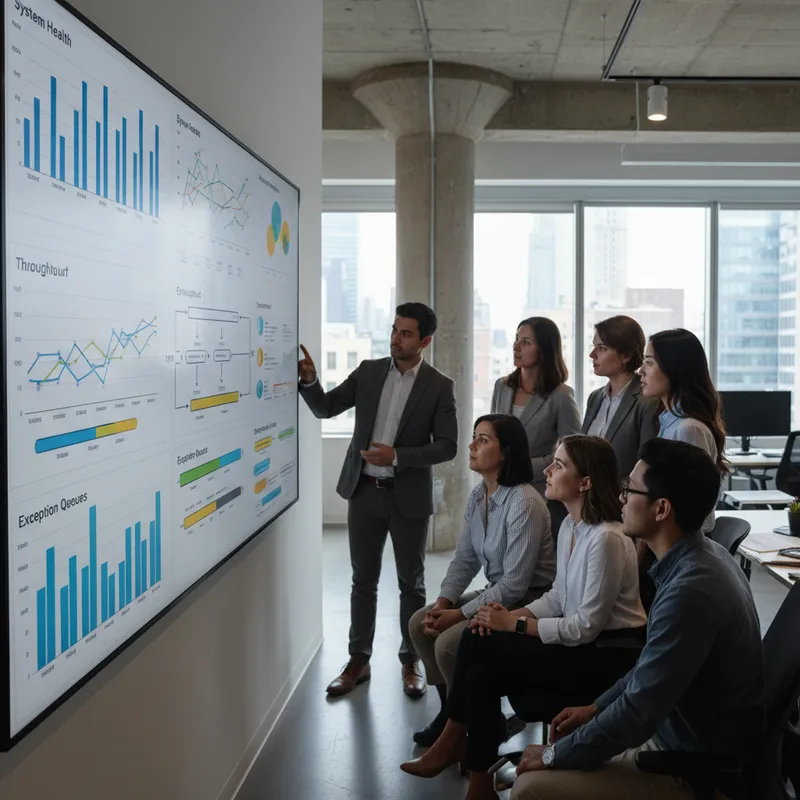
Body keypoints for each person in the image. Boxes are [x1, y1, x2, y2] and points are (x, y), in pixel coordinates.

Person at [509, 438, 764, 800]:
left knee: (529, 788)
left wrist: (554, 754)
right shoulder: (702, 557)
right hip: (676, 733)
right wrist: (596, 707)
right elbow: (650, 667)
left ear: (661, 509)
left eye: (629, 489)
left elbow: (638, 713)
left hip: (686, 762)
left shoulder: (690, 592)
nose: (621, 498)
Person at [399, 435, 647, 798]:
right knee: (480, 665)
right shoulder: (572, 526)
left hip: (607, 658)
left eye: (559, 465)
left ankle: (453, 737)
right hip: (583, 647)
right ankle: (479, 784)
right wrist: (507, 616)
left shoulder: (606, 538)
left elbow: (585, 627)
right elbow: (558, 596)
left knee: (474, 638)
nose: (547, 470)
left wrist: (514, 625)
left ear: (585, 482)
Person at [298, 302, 458, 698]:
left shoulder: (439, 386)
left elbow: (448, 446)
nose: (396, 338)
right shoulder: (368, 372)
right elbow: (326, 408)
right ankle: (358, 660)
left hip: (408, 498)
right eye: (394, 330)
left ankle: (412, 660)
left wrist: (398, 457)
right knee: (362, 581)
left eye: (406, 333)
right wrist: (310, 382)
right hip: (364, 492)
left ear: (424, 341)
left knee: (411, 584)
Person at [408, 414, 557, 747]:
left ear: (506, 453)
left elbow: (515, 586)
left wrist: (458, 615)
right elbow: (465, 559)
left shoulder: (525, 502)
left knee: (448, 644)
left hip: (530, 601)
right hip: (497, 592)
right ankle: (451, 714)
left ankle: (470, 726)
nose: (471, 445)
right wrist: (444, 604)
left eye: (483, 440)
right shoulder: (479, 495)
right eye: (474, 437)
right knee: (420, 623)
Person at [491, 317, 581, 538]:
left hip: (539, 493)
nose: (516, 346)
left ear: (544, 350)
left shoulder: (561, 396)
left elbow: (570, 453)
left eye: (526, 342)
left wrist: (524, 467)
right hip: (499, 488)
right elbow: (492, 434)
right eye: (516, 339)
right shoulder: (502, 386)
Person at [638, 328, 727, 534]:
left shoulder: (689, 429)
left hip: (684, 543)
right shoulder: (668, 421)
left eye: (649, 363)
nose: (641, 371)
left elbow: (692, 506)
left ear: (674, 368)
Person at [583, 315, 660, 478]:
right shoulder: (595, 397)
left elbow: (647, 467)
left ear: (626, 355)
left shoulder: (647, 401)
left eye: (602, 348)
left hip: (622, 493)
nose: (592, 354)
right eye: (594, 346)